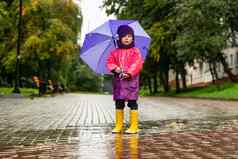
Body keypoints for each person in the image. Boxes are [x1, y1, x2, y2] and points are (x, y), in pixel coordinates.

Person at [107, 25, 144, 134]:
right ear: (119, 38)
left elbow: (137, 63)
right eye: (124, 36)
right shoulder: (115, 52)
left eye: (129, 36)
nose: (127, 38)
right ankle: (119, 125)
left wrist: (129, 73)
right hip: (119, 83)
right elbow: (109, 62)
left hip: (131, 82)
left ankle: (134, 126)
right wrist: (116, 68)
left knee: (133, 103)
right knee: (119, 103)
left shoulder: (135, 51)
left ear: (132, 38)